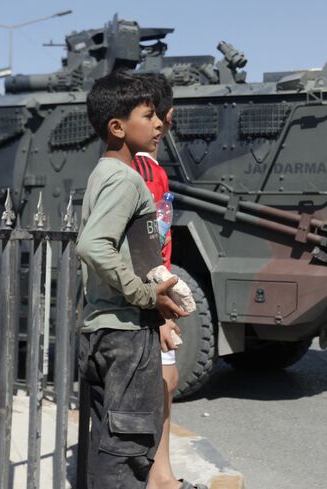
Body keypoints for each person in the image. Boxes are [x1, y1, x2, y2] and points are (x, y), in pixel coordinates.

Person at [76, 70, 189, 489]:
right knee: (128, 454)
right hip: (126, 335)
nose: (160, 123)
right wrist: (145, 294)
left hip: (104, 331)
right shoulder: (125, 180)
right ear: (118, 127)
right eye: (149, 115)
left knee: (108, 445)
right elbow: (93, 245)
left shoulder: (103, 173)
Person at [132, 73, 207, 489]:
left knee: (166, 382)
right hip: (148, 299)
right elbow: (145, 246)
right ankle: (159, 479)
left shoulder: (143, 167)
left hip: (149, 297)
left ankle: (163, 476)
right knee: (160, 382)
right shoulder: (146, 170)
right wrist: (159, 313)